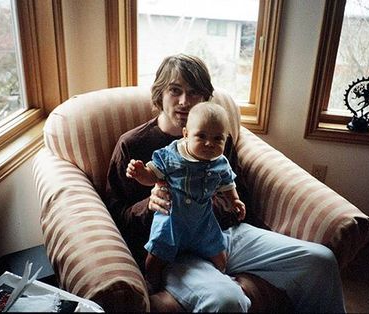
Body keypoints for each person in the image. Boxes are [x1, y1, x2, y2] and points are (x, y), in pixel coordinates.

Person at [105, 53, 346, 312]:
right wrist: (149, 205)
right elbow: (117, 218)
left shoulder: (217, 140)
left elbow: (237, 194)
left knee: (321, 260)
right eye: (175, 90)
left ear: (206, 98)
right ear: (159, 94)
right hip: (174, 249)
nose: (185, 102)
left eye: (195, 92)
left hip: (224, 234)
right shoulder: (133, 145)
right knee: (227, 301)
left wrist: (204, 204)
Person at [125, 101, 246, 292]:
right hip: (172, 220)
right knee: (155, 257)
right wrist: (140, 174)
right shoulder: (172, 156)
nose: (209, 144)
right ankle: (152, 283)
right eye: (201, 136)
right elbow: (152, 176)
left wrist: (235, 200)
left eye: (218, 139)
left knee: (220, 256)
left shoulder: (220, 162)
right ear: (186, 134)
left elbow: (228, 183)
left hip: (203, 221)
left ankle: (221, 276)